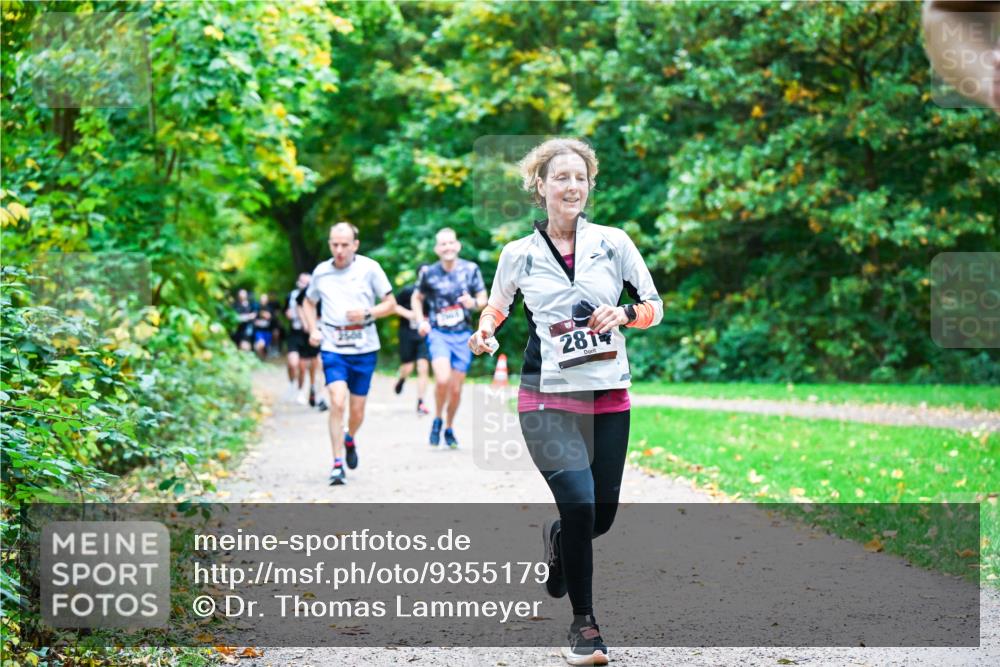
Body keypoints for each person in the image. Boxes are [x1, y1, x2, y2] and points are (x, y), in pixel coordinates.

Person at [468, 138, 662, 666]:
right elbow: (497, 305)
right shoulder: (519, 253)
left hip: (608, 396)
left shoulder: (614, 243)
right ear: (541, 186)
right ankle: (585, 626)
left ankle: (560, 540)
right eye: (560, 177)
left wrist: (624, 315)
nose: (571, 186)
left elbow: (654, 306)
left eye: (580, 177)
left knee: (597, 518)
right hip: (545, 397)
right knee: (579, 503)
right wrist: (485, 331)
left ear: (589, 185)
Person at [301, 222, 397, 486]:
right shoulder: (321, 272)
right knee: (337, 401)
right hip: (333, 347)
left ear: (355, 244)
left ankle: (349, 437)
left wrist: (368, 313)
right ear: (330, 244)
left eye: (345, 245)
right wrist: (313, 329)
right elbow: (307, 303)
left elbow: (391, 304)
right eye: (335, 244)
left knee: (356, 412)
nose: (339, 250)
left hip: (365, 348)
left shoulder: (370, 268)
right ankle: (336, 464)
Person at [411, 228, 487, 448]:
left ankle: (449, 427)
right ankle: (437, 417)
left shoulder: (470, 269)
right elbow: (417, 298)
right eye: (443, 244)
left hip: (463, 335)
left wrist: (472, 303)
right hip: (438, 334)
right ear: (437, 249)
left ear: (458, 245)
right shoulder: (428, 273)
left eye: (451, 243)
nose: (447, 248)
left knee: (456, 389)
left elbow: (484, 298)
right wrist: (421, 321)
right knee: (442, 380)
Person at [393, 266, 431, 416]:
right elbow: (392, 305)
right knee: (407, 367)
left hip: (425, 334)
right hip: (407, 333)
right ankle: (401, 379)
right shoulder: (407, 291)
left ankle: (421, 402)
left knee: (423, 367)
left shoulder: (434, 293)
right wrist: (409, 314)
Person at [284, 274, 310, 401]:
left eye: (307, 282)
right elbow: (284, 311)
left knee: (302, 367)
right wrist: (287, 314)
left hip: (306, 335)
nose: (304, 284)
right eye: (302, 281)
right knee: (292, 363)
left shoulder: (312, 297)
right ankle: (291, 383)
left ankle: (300, 391)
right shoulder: (291, 296)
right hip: (294, 333)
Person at [252, 292, 276, 361]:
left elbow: (274, 320)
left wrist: (270, 316)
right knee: (260, 344)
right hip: (259, 331)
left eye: (264, 298)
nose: (263, 299)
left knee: (265, 347)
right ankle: (259, 359)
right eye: (262, 298)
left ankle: (263, 359)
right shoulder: (256, 308)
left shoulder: (270, 309)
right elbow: (252, 318)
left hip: (268, 331)